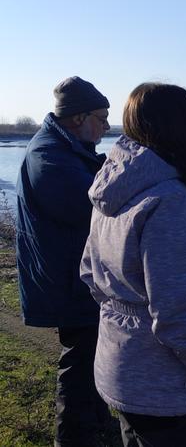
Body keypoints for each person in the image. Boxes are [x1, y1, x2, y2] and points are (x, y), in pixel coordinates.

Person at [79, 82, 186, 446]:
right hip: (167, 391)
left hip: (121, 368)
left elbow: (90, 273)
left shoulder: (116, 187)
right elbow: (179, 317)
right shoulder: (171, 203)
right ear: (181, 128)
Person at [15, 76, 113, 446]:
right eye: (102, 118)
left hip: (74, 275)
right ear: (78, 118)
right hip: (68, 279)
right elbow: (96, 210)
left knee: (91, 356)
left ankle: (96, 424)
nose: (106, 126)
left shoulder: (66, 148)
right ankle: (73, 438)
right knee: (80, 362)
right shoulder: (50, 157)